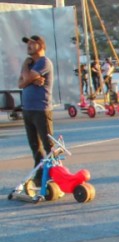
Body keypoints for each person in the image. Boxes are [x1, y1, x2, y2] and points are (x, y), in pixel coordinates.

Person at [18, 35, 53, 188]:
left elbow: (25, 79)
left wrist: (27, 74)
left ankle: (53, 175)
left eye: (32, 44)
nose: (29, 46)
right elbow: (20, 83)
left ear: (41, 46)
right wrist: (29, 73)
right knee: (35, 147)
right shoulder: (30, 63)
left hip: (41, 110)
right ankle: (40, 177)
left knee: (48, 146)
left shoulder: (44, 62)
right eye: (28, 44)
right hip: (28, 110)